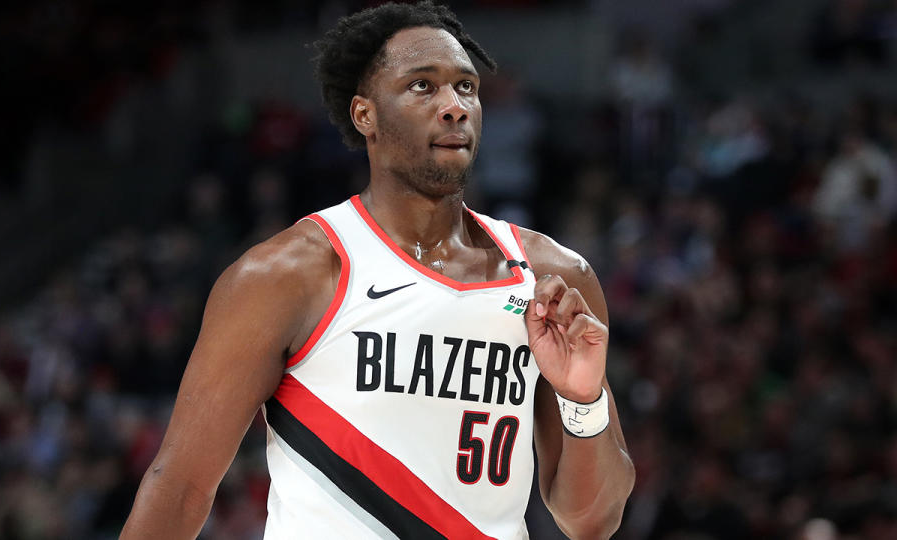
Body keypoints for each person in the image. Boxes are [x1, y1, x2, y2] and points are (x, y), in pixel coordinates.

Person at [120, 2, 635, 538]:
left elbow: (591, 520)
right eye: (421, 86)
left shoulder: (553, 279)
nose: (454, 106)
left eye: (466, 87)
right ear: (365, 114)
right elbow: (180, 488)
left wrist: (583, 400)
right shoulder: (287, 275)